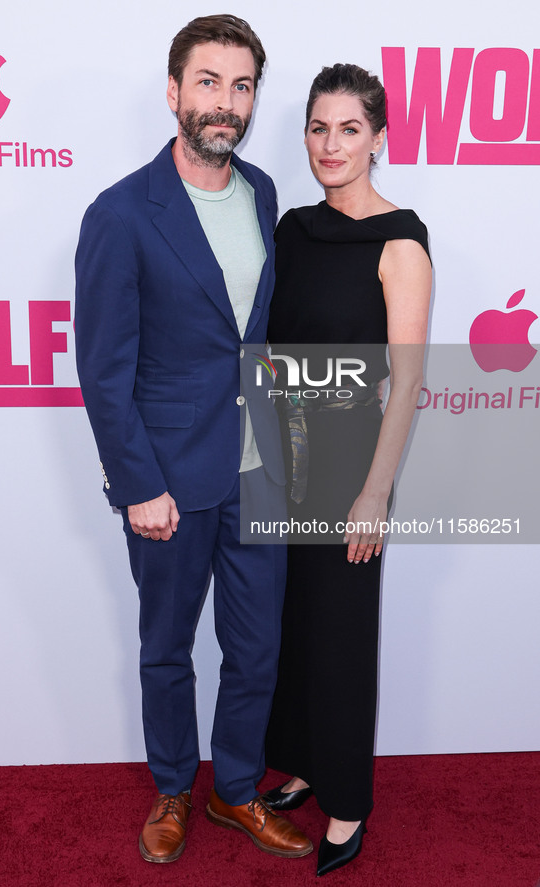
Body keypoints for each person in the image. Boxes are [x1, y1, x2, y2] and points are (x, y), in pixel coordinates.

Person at [74, 14, 312, 865]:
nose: (225, 102)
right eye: (208, 82)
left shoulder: (261, 194)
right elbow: (103, 367)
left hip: (261, 472)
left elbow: (252, 338)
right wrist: (137, 481)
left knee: (256, 648)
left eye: (241, 85)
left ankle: (235, 789)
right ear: (174, 93)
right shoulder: (121, 213)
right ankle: (174, 785)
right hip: (170, 477)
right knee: (167, 648)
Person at [262, 63, 432, 877]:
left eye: (349, 129)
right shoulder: (292, 227)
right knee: (289, 620)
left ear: (378, 136)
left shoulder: (400, 239)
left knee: (339, 631)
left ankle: (349, 801)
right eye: (318, 128)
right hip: (280, 457)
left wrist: (373, 492)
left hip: (350, 466)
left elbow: (408, 381)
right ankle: (300, 758)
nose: (331, 145)